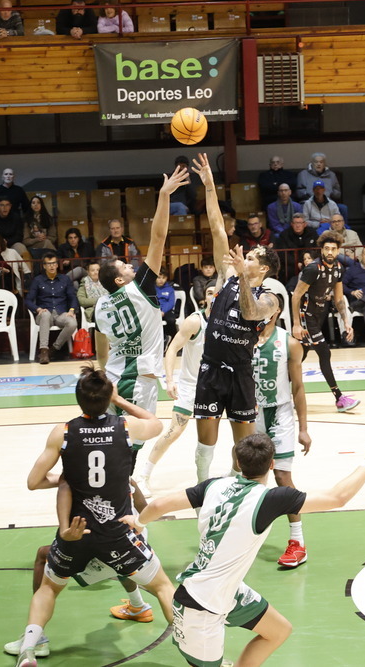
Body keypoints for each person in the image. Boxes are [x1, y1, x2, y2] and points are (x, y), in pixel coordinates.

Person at [122, 433, 365, 667]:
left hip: (225, 591)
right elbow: (337, 497)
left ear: (238, 462)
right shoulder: (272, 498)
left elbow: (158, 506)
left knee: (278, 631)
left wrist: (138, 520)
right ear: (272, 464)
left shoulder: (214, 485)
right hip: (199, 606)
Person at [9, 367, 175, 667]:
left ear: (78, 399)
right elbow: (156, 423)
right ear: (107, 397)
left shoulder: (64, 432)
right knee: (163, 587)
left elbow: (34, 481)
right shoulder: (126, 428)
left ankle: (30, 649)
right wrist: (119, 400)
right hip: (118, 532)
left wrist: (66, 477)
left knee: (49, 588)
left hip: (76, 533)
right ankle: (197, 647)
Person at [193, 153, 280, 481]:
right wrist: (210, 186)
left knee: (243, 451)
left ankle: (234, 488)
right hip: (211, 369)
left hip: (241, 373)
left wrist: (243, 277)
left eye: (254, 257)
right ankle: (202, 490)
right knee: (205, 446)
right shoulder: (226, 273)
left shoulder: (271, 299)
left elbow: (249, 312)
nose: (246, 256)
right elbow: (217, 227)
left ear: (263, 268)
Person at [95, 161, 189, 458]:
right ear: (120, 279)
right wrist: (164, 196)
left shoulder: (99, 305)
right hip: (139, 379)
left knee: (109, 438)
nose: (130, 263)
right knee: (131, 446)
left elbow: (101, 352)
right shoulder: (140, 289)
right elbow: (158, 237)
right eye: (125, 265)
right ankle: (124, 499)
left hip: (111, 376)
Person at [133, 284, 216, 497]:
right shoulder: (195, 321)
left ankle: (215, 479)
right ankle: (142, 475)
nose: (213, 295)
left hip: (216, 386)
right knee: (174, 431)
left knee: (214, 436)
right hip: (191, 385)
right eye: (208, 292)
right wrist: (169, 380)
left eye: (217, 291)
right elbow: (172, 349)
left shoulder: (228, 322)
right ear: (203, 299)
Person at [253, 294, 312, 568]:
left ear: (276, 312)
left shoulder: (289, 342)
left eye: (265, 306)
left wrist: (304, 428)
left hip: (280, 413)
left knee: (281, 475)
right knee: (250, 479)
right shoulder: (245, 339)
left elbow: (298, 387)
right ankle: (246, 537)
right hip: (252, 414)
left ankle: (297, 542)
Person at [26, 252, 79, 364]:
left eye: (53, 263)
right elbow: (28, 300)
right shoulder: (38, 280)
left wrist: (72, 310)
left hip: (61, 313)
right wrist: (37, 309)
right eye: (48, 264)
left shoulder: (65, 279)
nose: (51, 266)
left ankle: (54, 349)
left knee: (72, 323)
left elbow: (72, 297)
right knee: (45, 315)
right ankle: (44, 351)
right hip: (45, 313)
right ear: (44, 266)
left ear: (57, 265)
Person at [273, 213, 318, 282]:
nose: (297, 225)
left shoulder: (312, 233)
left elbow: (316, 250)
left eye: (300, 223)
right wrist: (296, 263)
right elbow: (282, 254)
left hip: (309, 262)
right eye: (295, 223)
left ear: (305, 224)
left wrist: (305, 262)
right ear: (291, 224)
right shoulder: (284, 235)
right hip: (291, 265)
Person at [155, 266, 178, 343]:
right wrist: (158, 310)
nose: (161, 280)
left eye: (163, 277)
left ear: (166, 278)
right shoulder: (151, 289)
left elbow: (171, 303)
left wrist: (163, 311)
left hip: (167, 311)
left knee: (171, 320)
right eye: (159, 277)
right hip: (155, 310)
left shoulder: (170, 289)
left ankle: (174, 341)